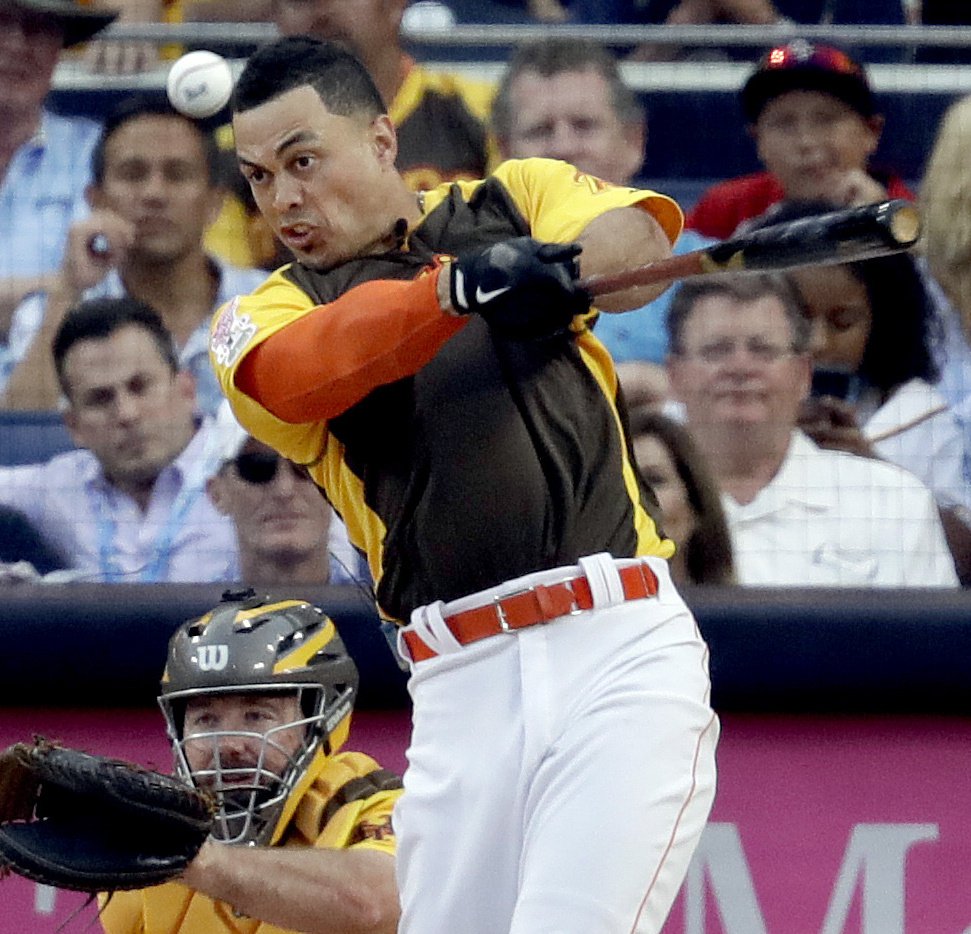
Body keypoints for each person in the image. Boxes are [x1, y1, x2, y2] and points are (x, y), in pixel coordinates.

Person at [211, 35, 718, 934]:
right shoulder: (268, 309)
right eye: (257, 177)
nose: (284, 199)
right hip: (457, 690)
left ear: (378, 139)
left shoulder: (512, 196)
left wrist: (565, 271)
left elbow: (633, 242)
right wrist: (458, 292)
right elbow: (299, 371)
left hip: (615, 650)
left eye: (302, 160)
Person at [99, 590, 402, 934]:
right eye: (206, 720)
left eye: (257, 715)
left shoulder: (372, 804)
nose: (229, 744)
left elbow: (379, 903)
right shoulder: (147, 838)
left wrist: (196, 860)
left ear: (321, 716)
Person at [666, 274, 959, 587]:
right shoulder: (629, 502)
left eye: (763, 350)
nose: (740, 368)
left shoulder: (895, 503)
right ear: (674, 374)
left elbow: (928, 637)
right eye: (717, 350)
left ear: (803, 374)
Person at [0, 96, 266, 415]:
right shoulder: (51, 309)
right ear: (95, 199)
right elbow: (20, 439)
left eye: (177, 174)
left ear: (215, 202)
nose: (154, 193)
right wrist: (68, 293)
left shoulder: (267, 303)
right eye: (133, 174)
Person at [203, 0, 499, 269]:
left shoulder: (485, 112)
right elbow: (232, 289)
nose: (319, 8)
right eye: (296, 1)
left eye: (302, 161)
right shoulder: (238, 150)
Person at [491, 36, 714, 372]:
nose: (563, 148)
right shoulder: (465, 277)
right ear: (504, 153)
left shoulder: (708, 271)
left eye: (584, 126)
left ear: (633, 141)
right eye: (540, 131)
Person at [0, 296, 236, 583]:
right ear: (73, 425)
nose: (126, 413)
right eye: (100, 399)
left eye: (140, 387)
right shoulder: (57, 487)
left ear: (187, 389)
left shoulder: (255, 471)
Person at [685, 40, 914, 240]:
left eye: (826, 120)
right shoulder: (725, 209)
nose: (806, 141)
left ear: (871, 132)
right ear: (758, 139)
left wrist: (881, 230)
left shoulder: (910, 215)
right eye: (784, 123)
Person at [0, 0, 117, 343]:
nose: (16, 43)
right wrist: (61, 288)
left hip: (69, 386)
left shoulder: (103, 155)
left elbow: (108, 299)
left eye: (39, 28)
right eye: (0, 22)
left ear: (59, 46)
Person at [206, 400, 372, 587]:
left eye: (307, 466)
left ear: (338, 483)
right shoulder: (195, 614)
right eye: (258, 467)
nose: (284, 490)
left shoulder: (385, 614)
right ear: (217, 493)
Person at [628, 407, 735, 586]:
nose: (636, 497)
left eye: (654, 480)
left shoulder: (741, 611)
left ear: (695, 506)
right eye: (624, 481)